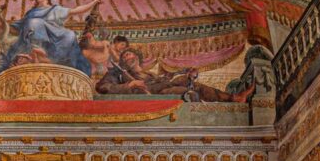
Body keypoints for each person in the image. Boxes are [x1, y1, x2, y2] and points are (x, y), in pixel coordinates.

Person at [0, 0, 101, 75]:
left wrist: (93, 3)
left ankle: (56, 57)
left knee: (70, 35)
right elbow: (18, 28)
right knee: (34, 22)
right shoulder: (31, 13)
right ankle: (38, 49)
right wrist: (1, 21)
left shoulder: (55, 9)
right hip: (33, 42)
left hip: (55, 38)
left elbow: (76, 10)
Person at [96, 47, 254, 102]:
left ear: (136, 57)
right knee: (183, 89)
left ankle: (234, 98)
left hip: (159, 90)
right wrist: (129, 85)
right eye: (124, 57)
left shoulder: (149, 74)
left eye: (129, 55)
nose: (126, 58)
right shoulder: (119, 73)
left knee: (187, 84)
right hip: (149, 95)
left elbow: (165, 80)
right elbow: (102, 87)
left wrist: (187, 74)